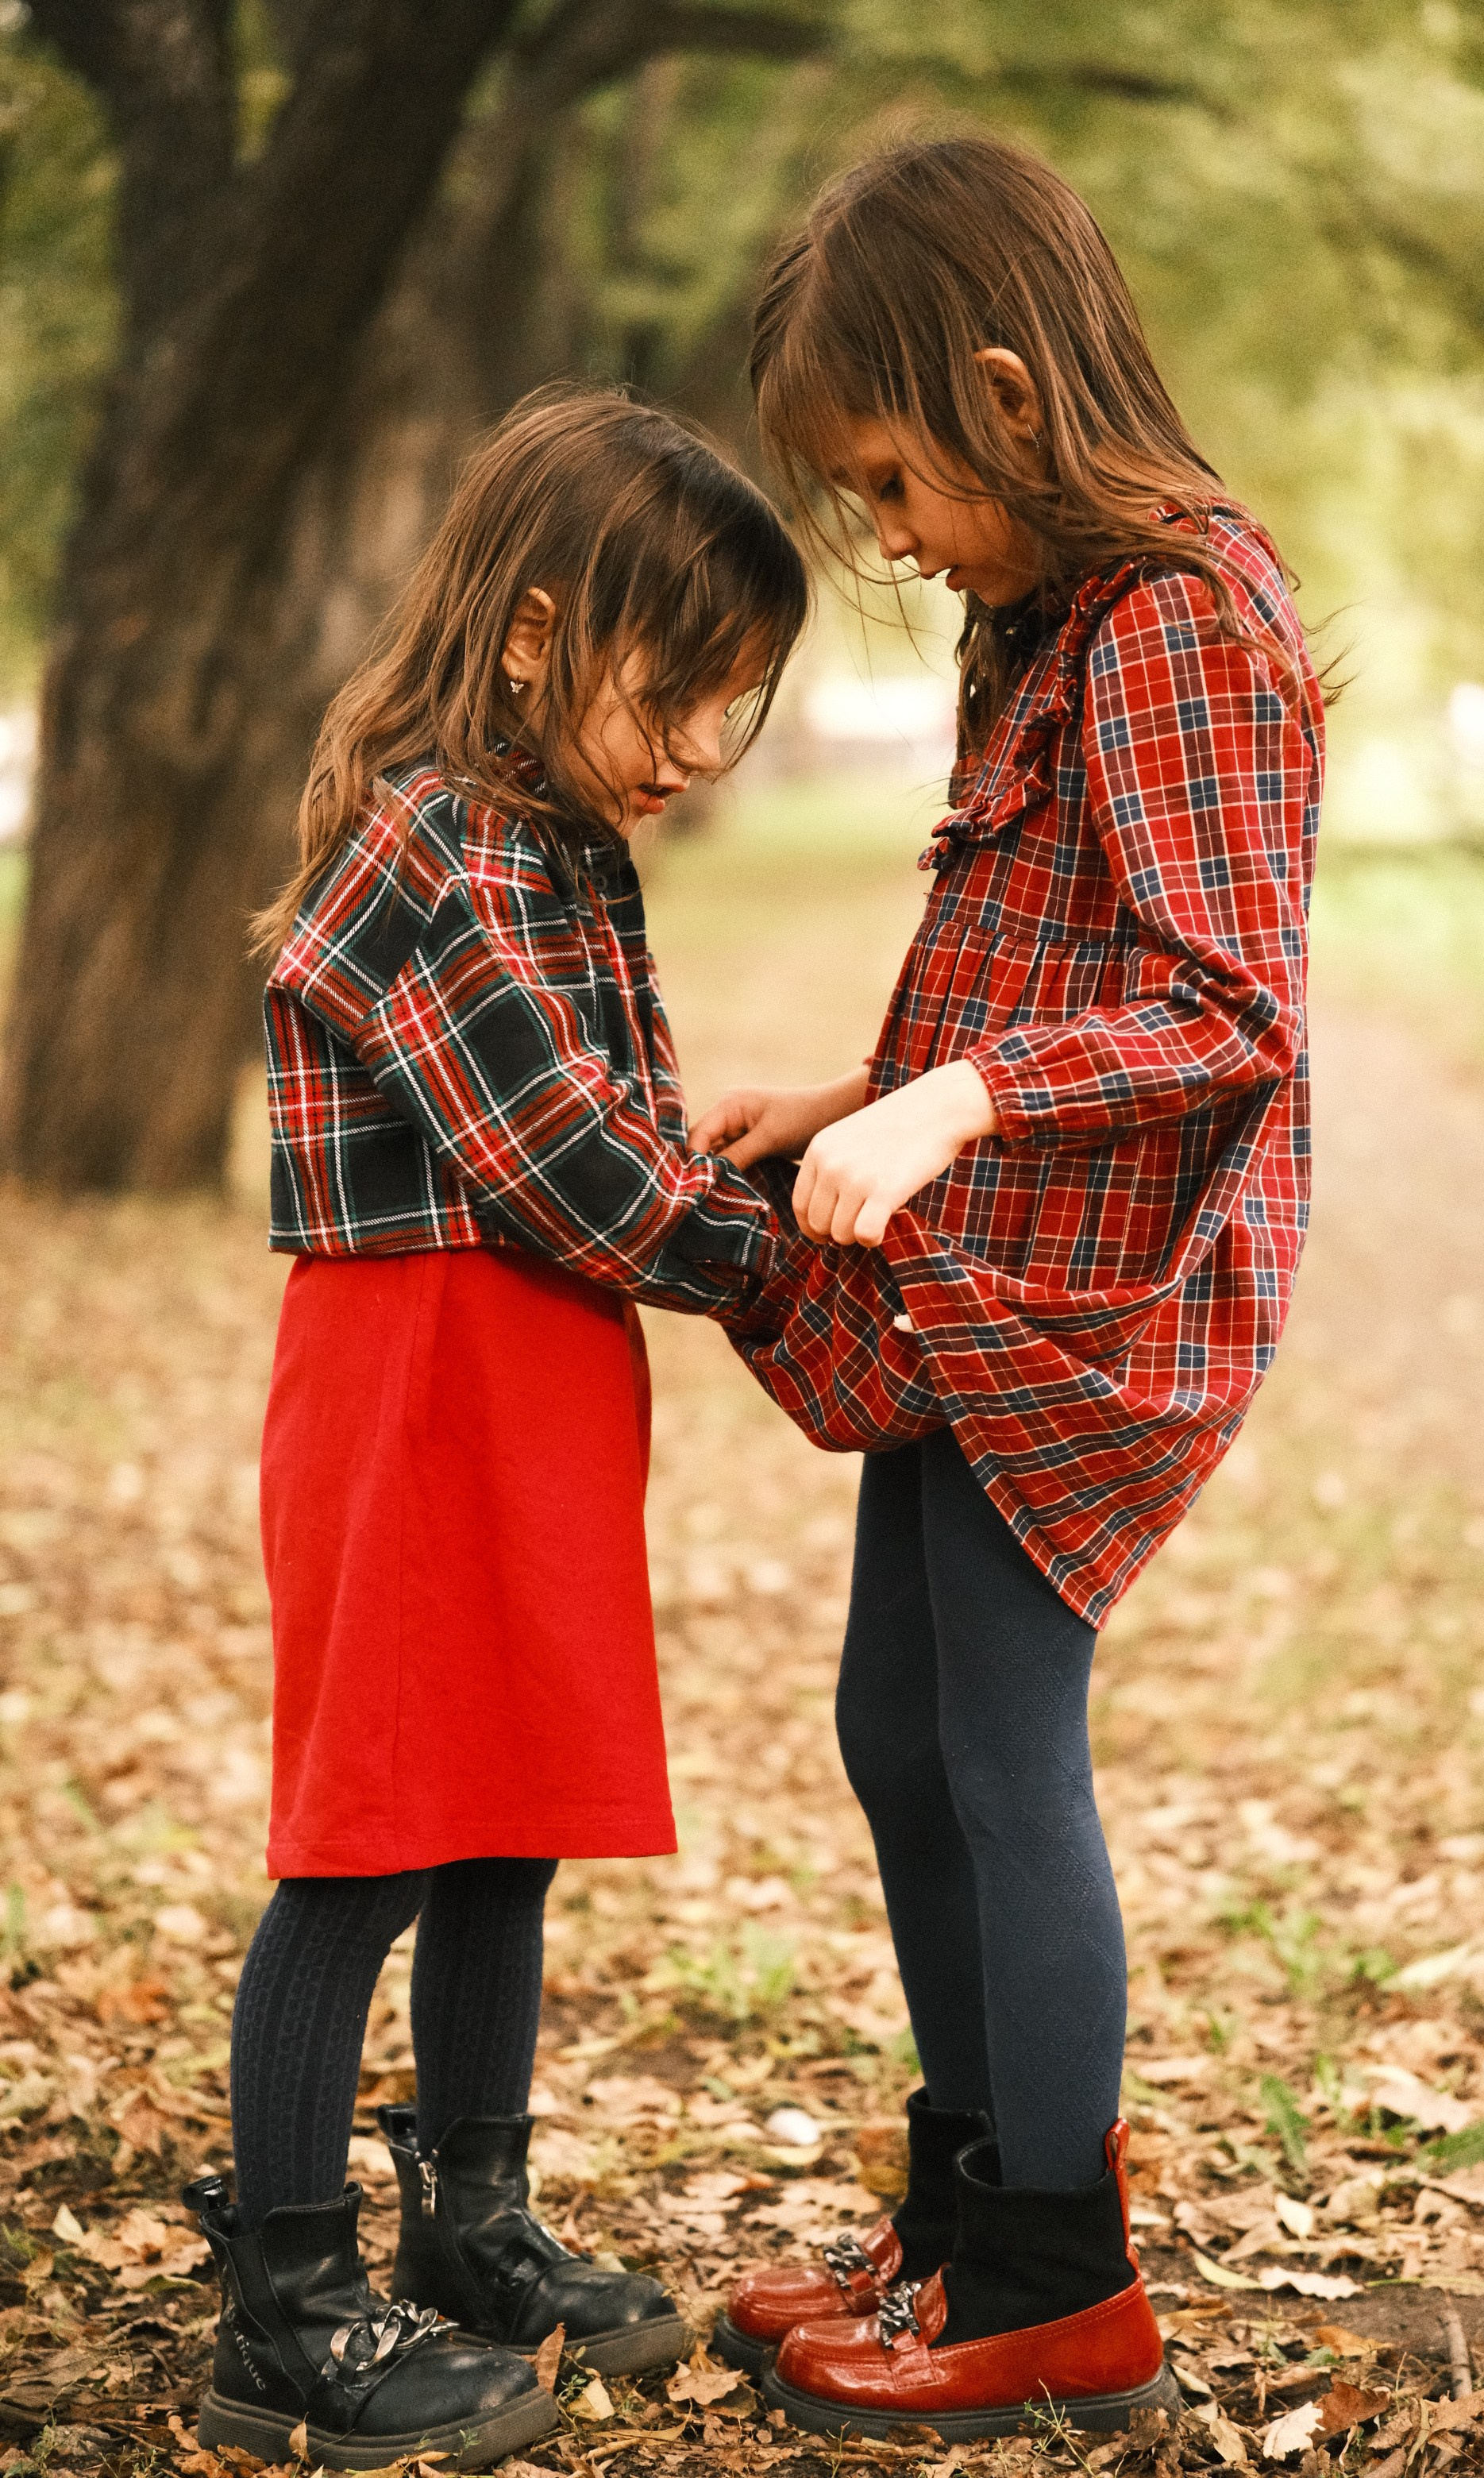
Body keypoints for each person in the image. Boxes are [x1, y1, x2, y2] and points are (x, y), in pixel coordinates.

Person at [696, 137, 1325, 2441]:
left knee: (996, 1748)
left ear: (999, 388)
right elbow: (1030, 961)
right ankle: (972, 2206)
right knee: (895, 1738)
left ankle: (1059, 2271)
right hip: (984, 1259)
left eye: (887, 478)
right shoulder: (1035, 620)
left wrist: (953, 1108)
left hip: (1097, 1287)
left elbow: (1223, 1013)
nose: (882, 531)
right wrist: (851, 1091)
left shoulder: (1186, 616)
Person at [183, 389, 808, 2472]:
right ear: (537, 635)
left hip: (534, 1377)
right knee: (368, 1825)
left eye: (735, 710)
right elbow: (569, 1164)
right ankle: (285, 2298)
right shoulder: (433, 833)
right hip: (414, 1374)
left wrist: (730, 1171)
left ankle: (473, 2219)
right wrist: (800, 1249)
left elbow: (620, 1123)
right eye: (680, 693)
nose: (705, 751)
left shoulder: (564, 838)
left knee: (507, 1804)